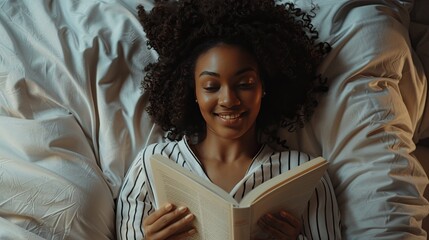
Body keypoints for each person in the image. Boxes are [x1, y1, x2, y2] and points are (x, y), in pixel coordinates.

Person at [116, 0, 341, 239]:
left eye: (244, 84)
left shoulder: (304, 175)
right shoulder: (151, 165)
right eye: (211, 86)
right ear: (193, 92)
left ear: (263, 87)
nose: (229, 99)